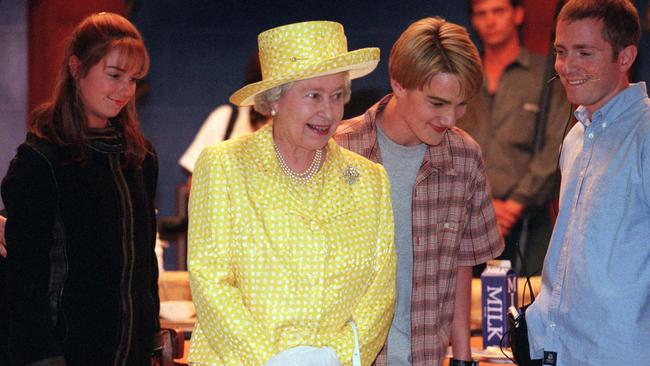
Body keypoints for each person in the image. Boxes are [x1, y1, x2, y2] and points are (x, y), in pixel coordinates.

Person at [187, 21, 396, 366]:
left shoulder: (369, 180)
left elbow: (381, 290)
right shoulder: (223, 166)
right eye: (313, 95)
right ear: (273, 100)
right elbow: (211, 281)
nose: (327, 112)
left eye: (336, 96)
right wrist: (272, 361)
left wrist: (336, 359)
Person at [335, 17, 503, 366]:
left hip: (426, 355)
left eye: (461, 105)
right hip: (349, 356)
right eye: (437, 103)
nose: (450, 118)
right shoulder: (339, 151)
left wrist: (462, 357)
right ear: (398, 84)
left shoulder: (464, 157)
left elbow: (463, 265)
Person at [1, 12, 159, 366]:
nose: (124, 91)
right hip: (64, 354)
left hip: (131, 351)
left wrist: (152, 336)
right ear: (77, 68)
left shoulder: (140, 158)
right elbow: (25, 284)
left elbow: (144, 264)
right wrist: (41, 357)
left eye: (133, 80)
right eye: (115, 75)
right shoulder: (40, 162)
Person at [524, 0, 650, 364]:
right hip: (557, 350)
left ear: (625, 57)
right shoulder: (576, 137)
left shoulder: (644, 133)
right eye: (561, 52)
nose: (566, 67)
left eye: (584, 52)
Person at [457, 0, 570, 276]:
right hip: (468, 218)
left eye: (498, 11)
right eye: (481, 14)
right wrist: (483, 206)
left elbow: (556, 144)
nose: (490, 21)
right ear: (473, 21)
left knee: (529, 307)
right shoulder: (463, 76)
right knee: (469, 310)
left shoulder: (546, 74)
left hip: (529, 220)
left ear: (517, 14)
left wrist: (514, 204)